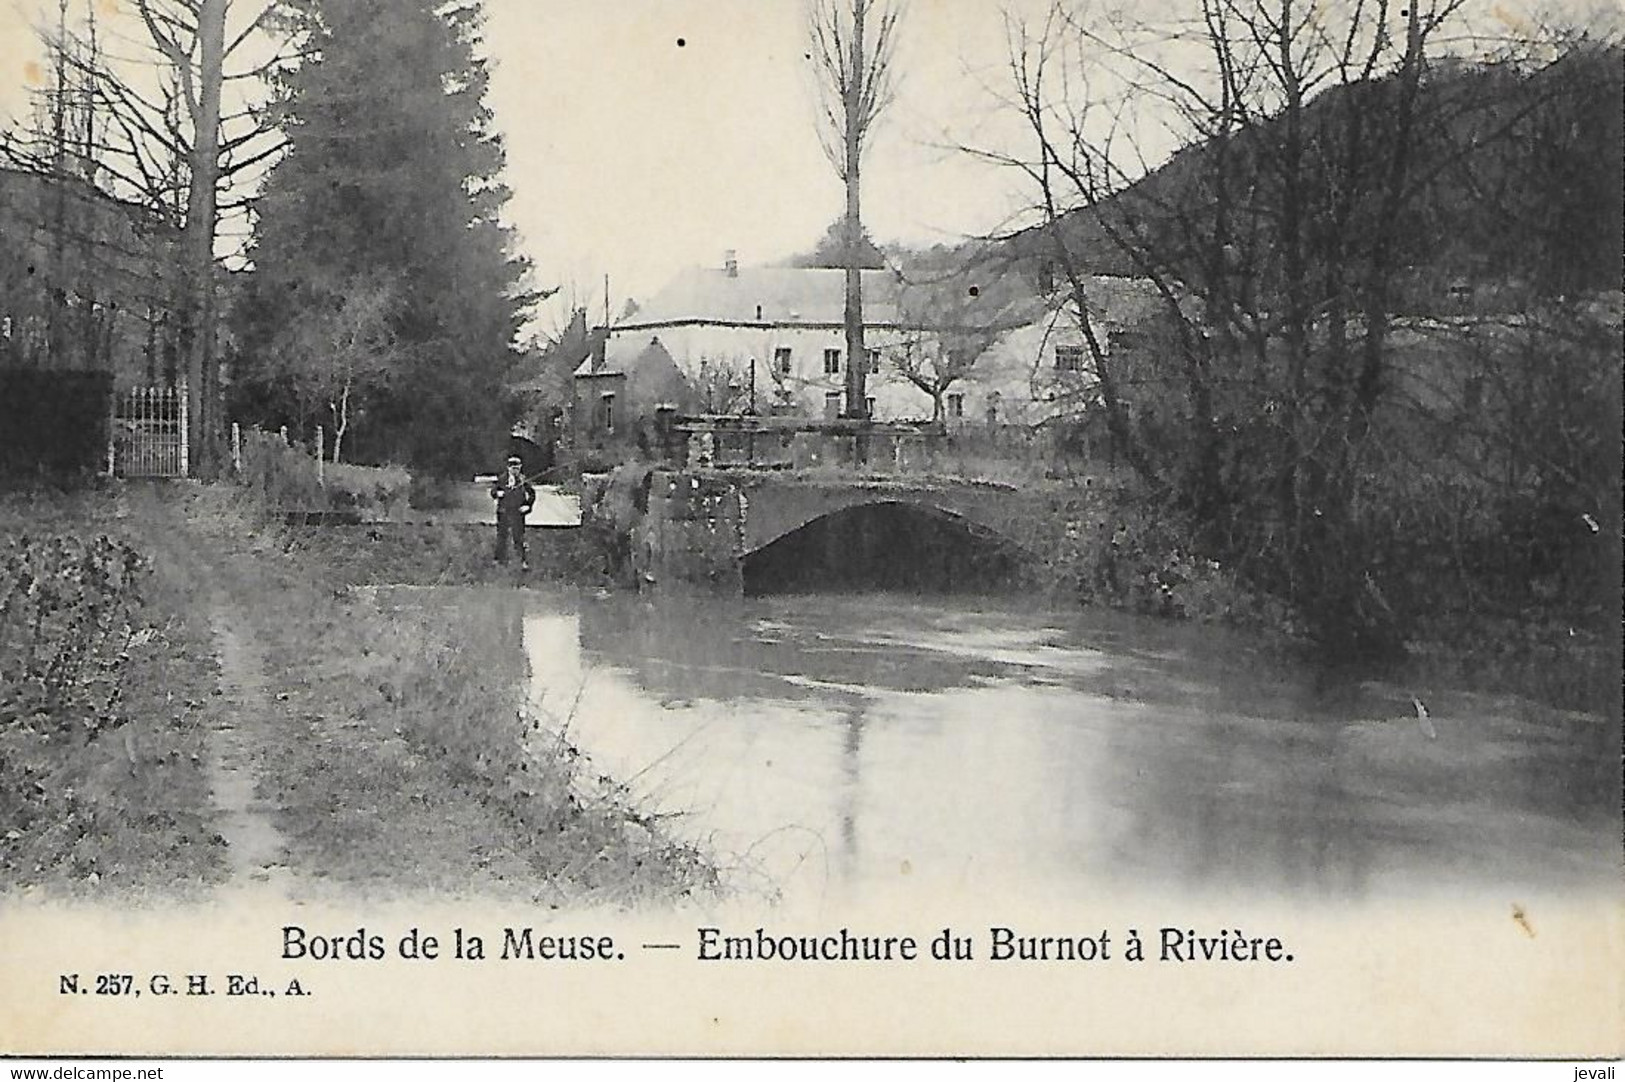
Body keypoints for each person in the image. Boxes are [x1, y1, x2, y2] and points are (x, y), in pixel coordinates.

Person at [491, 455, 535, 570]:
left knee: (519, 536)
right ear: (508, 468)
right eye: (512, 468)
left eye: (517, 468)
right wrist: (498, 494)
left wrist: (527, 506)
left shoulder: (523, 479)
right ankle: (498, 560)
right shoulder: (502, 479)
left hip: (517, 512)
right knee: (502, 535)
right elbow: (493, 491)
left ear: (520, 468)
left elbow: (532, 494)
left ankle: (523, 561)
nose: (515, 470)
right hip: (504, 511)